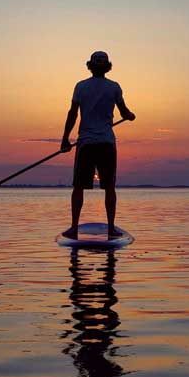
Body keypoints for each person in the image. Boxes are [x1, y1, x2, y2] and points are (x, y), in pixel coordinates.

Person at [60, 51, 135, 240]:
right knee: (109, 187)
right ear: (108, 67)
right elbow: (125, 112)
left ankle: (73, 228)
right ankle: (110, 229)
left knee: (78, 187)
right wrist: (130, 116)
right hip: (106, 143)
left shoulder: (81, 86)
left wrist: (65, 139)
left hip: (85, 143)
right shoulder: (114, 87)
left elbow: (72, 114)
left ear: (90, 66)